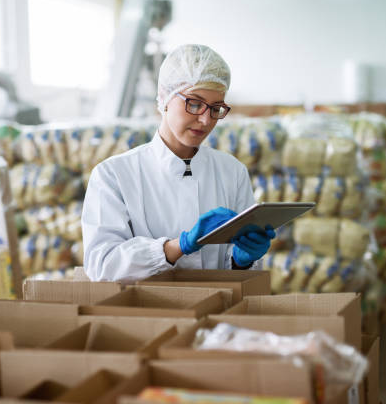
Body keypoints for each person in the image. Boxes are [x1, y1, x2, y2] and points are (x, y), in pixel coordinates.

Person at [82, 44, 276, 282]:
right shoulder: (114, 175)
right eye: (194, 103)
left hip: (218, 311)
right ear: (164, 97)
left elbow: (240, 274)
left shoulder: (232, 172)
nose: (205, 120)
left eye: (216, 108)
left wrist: (241, 260)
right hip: (145, 314)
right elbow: (101, 265)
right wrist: (178, 247)